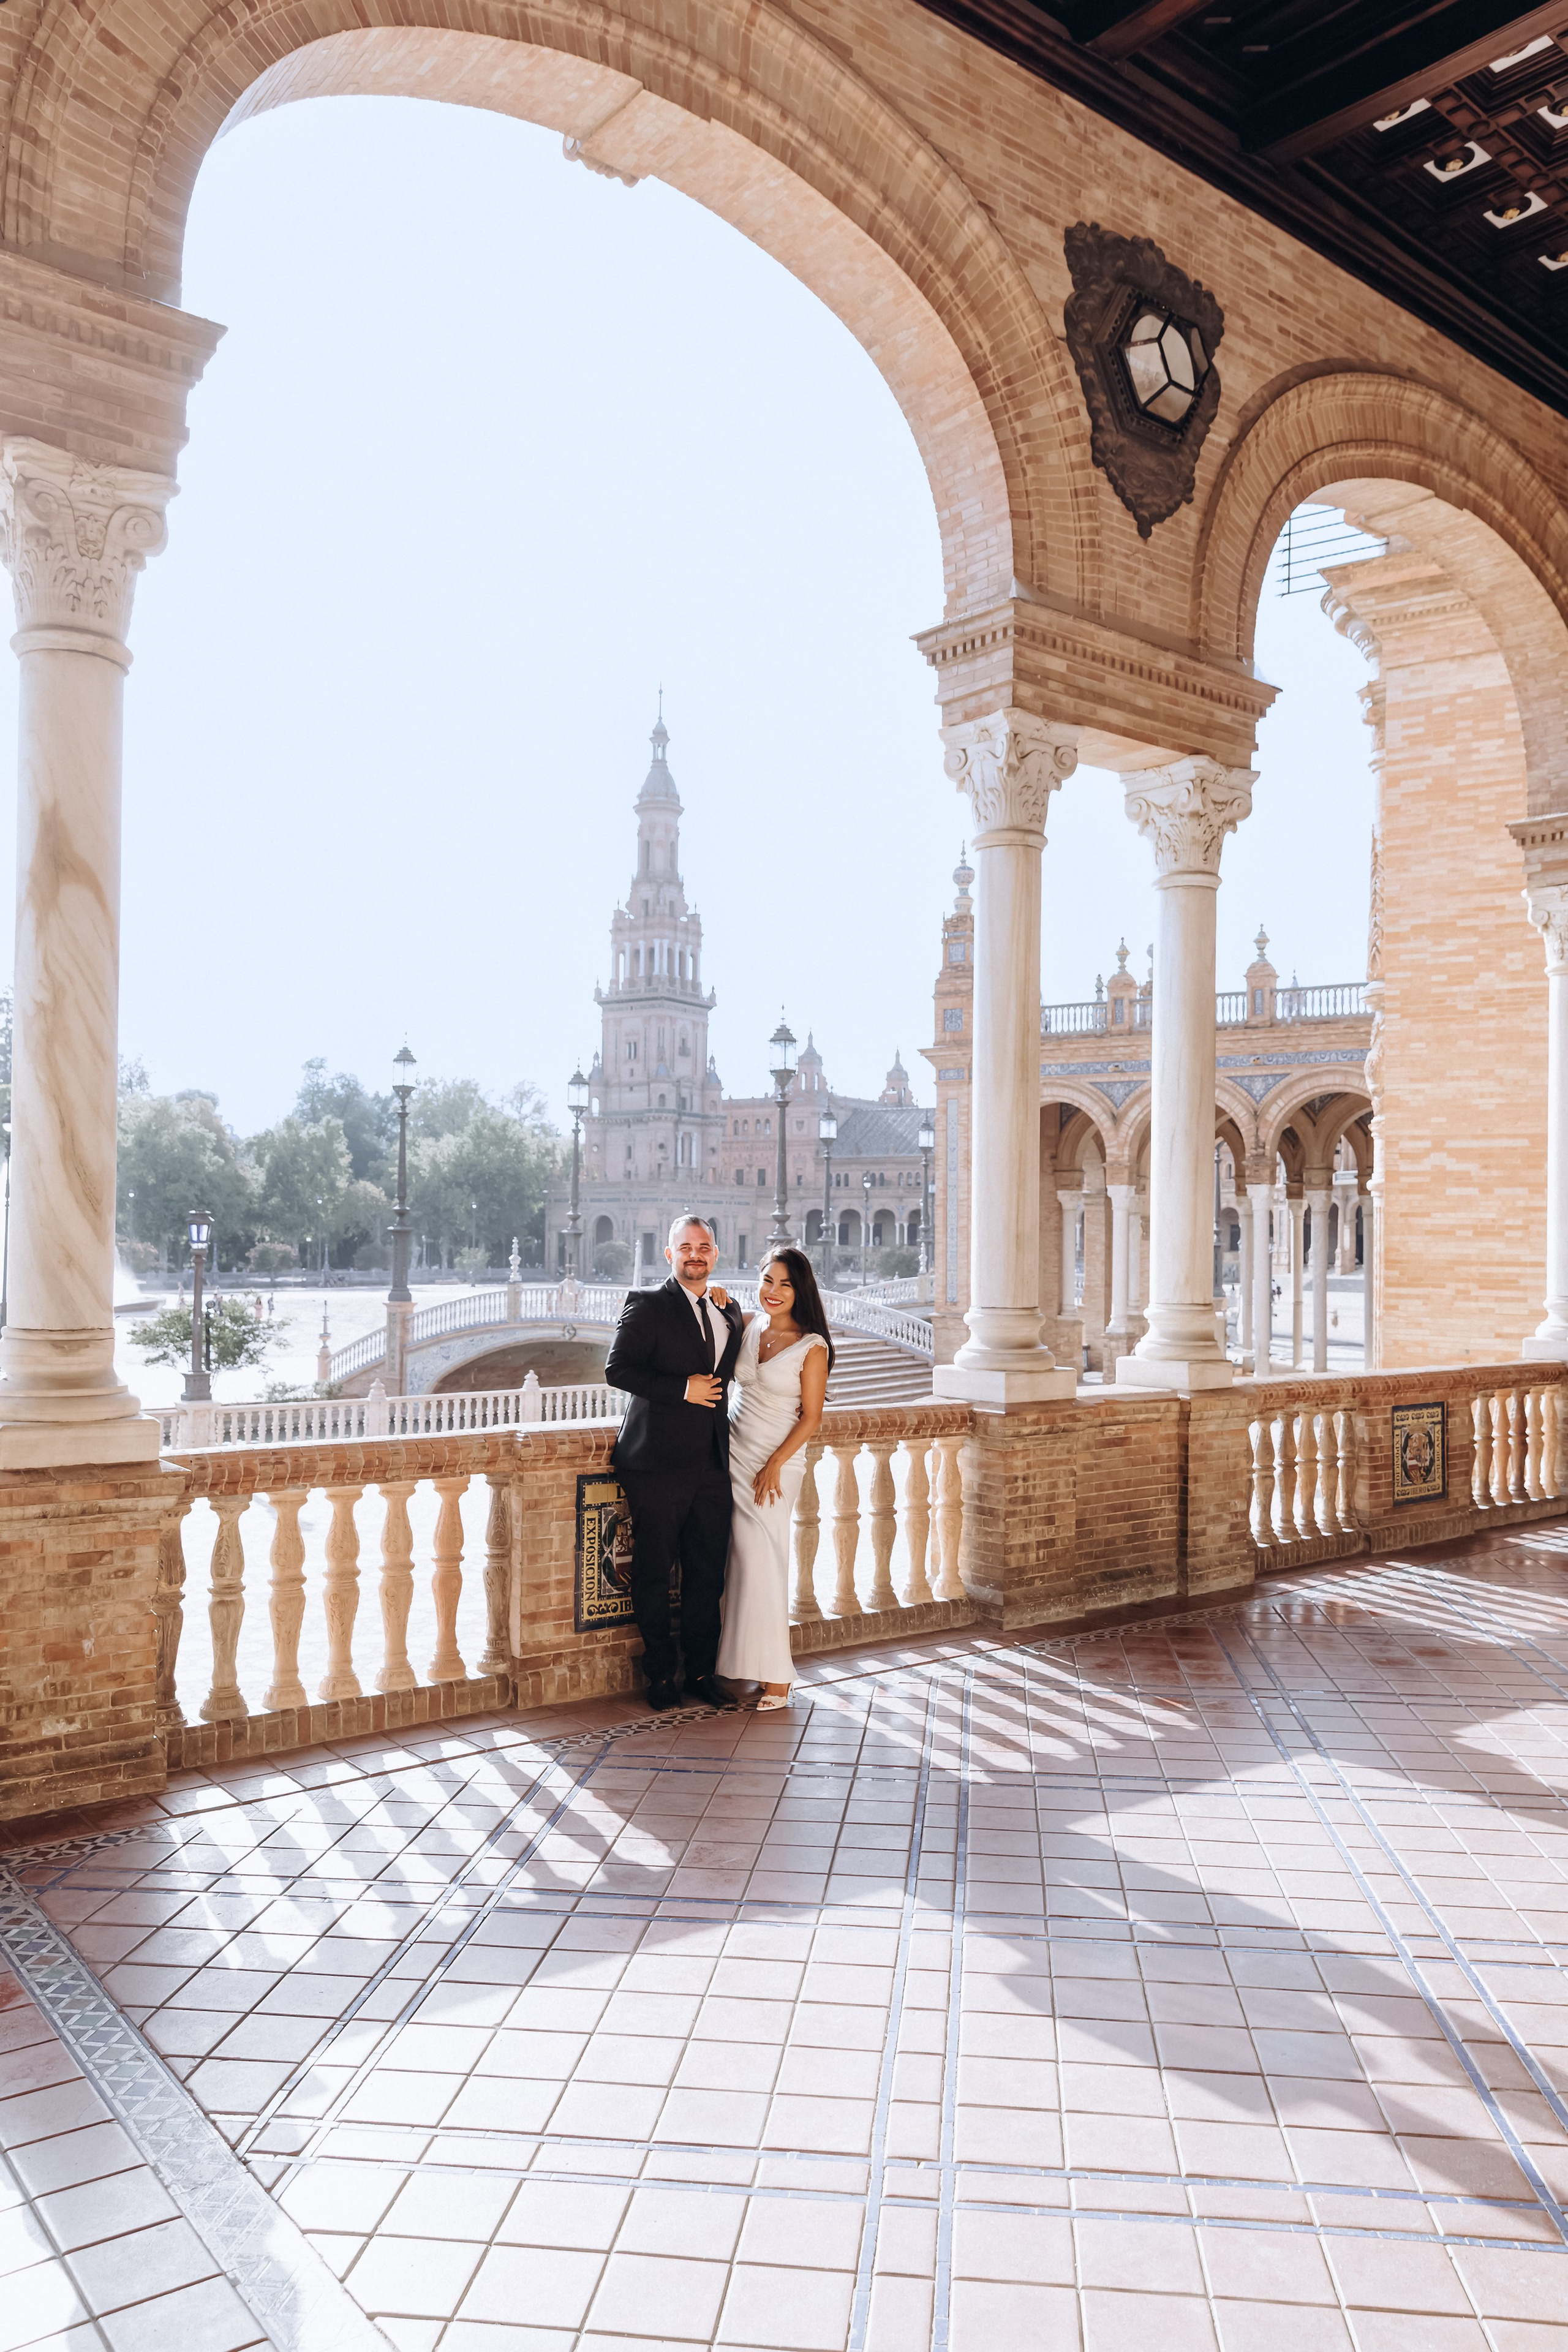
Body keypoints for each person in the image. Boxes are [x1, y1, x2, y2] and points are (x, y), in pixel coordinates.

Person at [604, 1214, 745, 1711]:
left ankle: (702, 1673)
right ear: (669, 1254)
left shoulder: (729, 1311)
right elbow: (617, 1369)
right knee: (654, 1571)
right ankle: (661, 1677)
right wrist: (683, 1389)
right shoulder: (646, 1304)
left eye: (704, 1246)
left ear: (715, 1253)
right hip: (656, 1462)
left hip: (711, 1463)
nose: (695, 1254)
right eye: (685, 1247)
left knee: (708, 1572)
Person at [710, 1247, 831, 1711]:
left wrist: (776, 1463)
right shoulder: (750, 1325)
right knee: (739, 1562)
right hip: (734, 1452)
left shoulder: (812, 1345)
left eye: (784, 1283)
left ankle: (779, 1678)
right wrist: (719, 1298)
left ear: (800, 1290)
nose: (773, 1292)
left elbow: (812, 1417)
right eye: (766, 1280)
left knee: (764, 1561)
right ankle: (746, 1664)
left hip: (777, 1462)